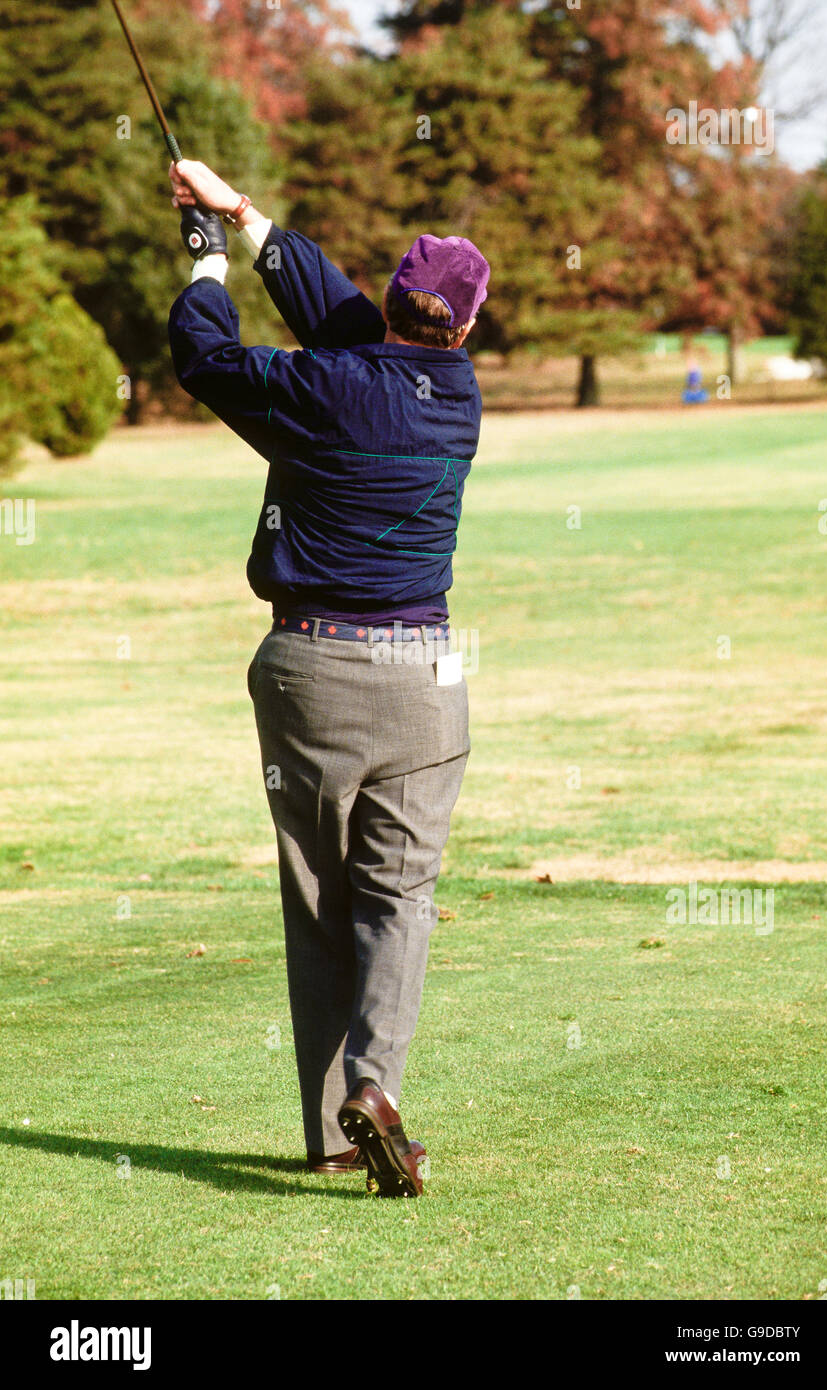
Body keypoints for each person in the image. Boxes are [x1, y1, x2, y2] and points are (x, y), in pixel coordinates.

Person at [167, 160, 489, 1197]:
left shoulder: (320, 388)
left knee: (317, 900)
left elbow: (207, 359)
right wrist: (245, 216)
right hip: (423, 681)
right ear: (464, 332)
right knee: (400, 897)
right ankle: (375, 1086)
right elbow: (345, 322)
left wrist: (207, 264)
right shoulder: (457, 397)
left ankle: (331, 1133)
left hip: (306, 669)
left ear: (391, 304)